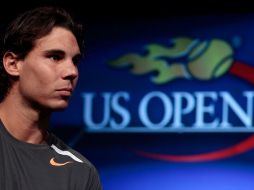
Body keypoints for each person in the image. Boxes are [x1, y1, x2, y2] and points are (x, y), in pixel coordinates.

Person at [0, 6, 102, 190]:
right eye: (55, 57)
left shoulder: (80, 173)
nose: (72, 72)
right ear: (13, 64)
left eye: (75, 61)